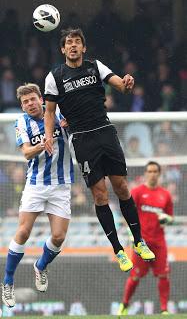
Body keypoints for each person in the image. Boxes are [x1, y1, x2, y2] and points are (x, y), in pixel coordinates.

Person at [44, 28, 155, 273]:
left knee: (122, 187)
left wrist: (126, 83)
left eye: (77, 42)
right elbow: (50, 111)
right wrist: (49, 135)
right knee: (100, 195)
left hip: (105, 131)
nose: (73, 46)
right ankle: (118, 250)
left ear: (83, 48)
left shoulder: (95, 66)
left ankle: (138, 241)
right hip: (82, 140)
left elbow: (120, 86)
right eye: (68, 43)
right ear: (63, 49)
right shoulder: (55, 76)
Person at [1, 83, 74, 308]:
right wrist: (44, 144)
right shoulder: (21, 122)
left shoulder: (59, 113)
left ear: (41, 99)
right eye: (25, 102)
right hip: (35, 184)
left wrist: (70, 125)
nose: (30, 104)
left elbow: (75, 129)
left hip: (61, 184)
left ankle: (40, 266)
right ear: (22, 106)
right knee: (23, 232)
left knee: (59, 237)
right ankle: (8, 282)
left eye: (32, 99)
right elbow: (25, 152)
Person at [118, 161, 173, 316]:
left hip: (159, 242)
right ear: (145, 173)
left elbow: (170, 217)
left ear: (159, 173)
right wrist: (130, 233)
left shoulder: (165, 194)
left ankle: (164, 309)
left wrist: (166, 219)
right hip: (141, 243)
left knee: (164, 275)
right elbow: (127, 213)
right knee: (135, 276)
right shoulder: (137, 192)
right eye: (150, 171)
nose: (152, 173)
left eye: (155, 171)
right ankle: (124, 305)